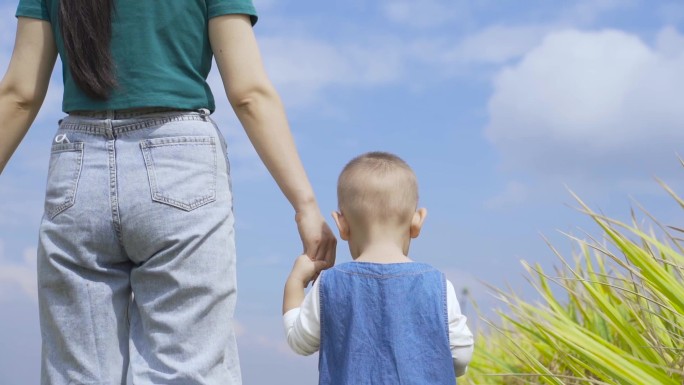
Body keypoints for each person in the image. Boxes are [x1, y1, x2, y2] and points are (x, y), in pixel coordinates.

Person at [0, 1, 336, 384]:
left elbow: (18, 94)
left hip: (78, 169)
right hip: (179, 164)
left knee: (77, 374)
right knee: (185, 371)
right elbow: (249, 94)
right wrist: (304, 204)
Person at [283, 151, 474, 385]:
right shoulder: (438, 285)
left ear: (341, 225)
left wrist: (295, 282)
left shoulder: (329, 284)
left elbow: (299, 341)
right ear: (417, 221)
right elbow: (461, 356)